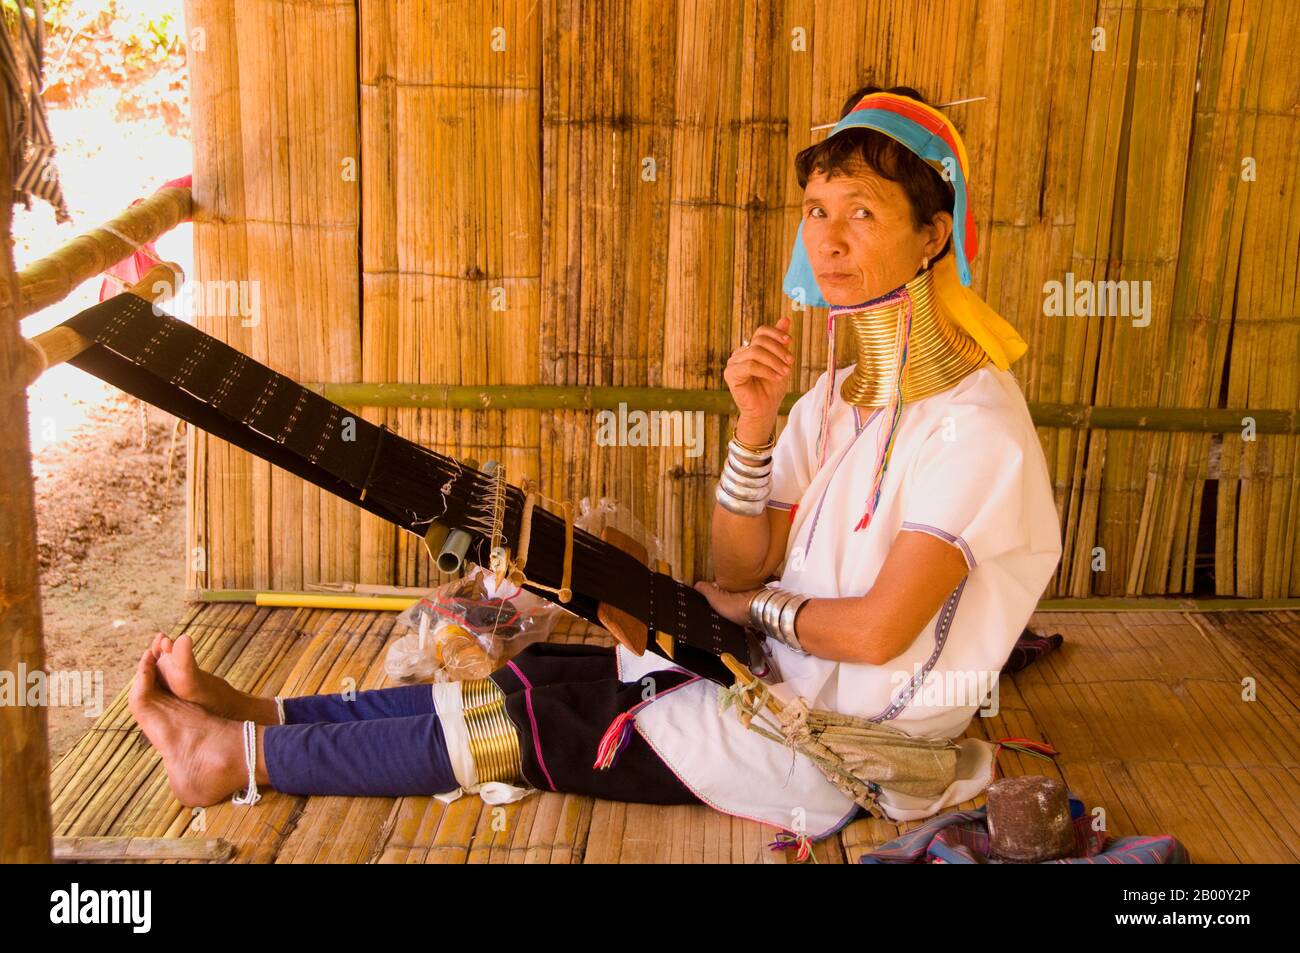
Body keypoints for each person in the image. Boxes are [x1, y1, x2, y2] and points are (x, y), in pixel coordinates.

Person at [127, 84, 1062, 845]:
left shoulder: (975, 427)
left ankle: (238, 760)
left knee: (550, 730)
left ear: (934, 234)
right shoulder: (838, 397)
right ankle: (265, 715)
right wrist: (752, 427)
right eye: (817, 209)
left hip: (846, 739)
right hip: (777, 668)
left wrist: (747, 611)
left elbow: (872, 635)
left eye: (863, 211)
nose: (829, 238)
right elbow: (738, 563)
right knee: (547, 677)